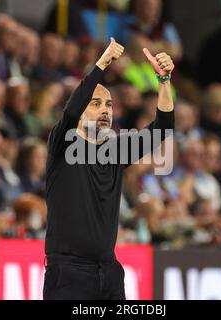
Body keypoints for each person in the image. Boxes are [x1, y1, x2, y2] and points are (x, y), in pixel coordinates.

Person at [43, 38, 174, 300]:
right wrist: (103, 62)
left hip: (110, 272)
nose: (105, 110)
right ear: (81, 110)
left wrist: (164, 81)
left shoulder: (116, 151)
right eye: (95, 104)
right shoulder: (62, 144)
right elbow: (70, 111)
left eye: (109, 105)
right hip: (68, 273)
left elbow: (163, 126)